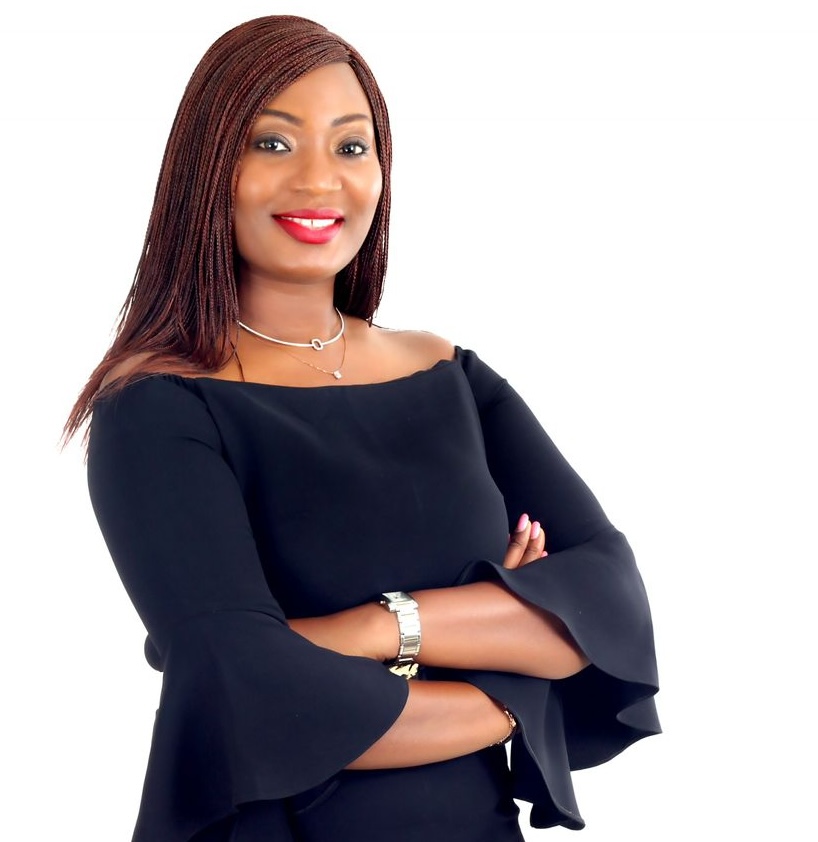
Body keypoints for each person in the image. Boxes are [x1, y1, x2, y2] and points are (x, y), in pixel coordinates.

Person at [64, 14, 660, 842]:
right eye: (272, 144)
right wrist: (508, 677)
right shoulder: (157, 409)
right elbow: (249, 697)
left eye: (352, 146)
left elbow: (611, 608)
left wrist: (375, 630)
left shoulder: (450, 375)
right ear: (208, 170)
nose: (321, 181)